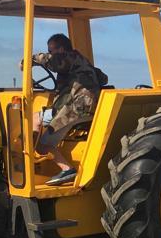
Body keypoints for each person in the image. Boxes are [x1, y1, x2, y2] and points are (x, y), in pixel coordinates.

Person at [29, 33, 105, 185]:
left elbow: (54, 62)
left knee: (40, 140)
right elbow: (103, 78)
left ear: (61, 49)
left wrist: (30, 60)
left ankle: (65, 168)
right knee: (36, 119)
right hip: (83, 106)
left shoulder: (68, 58)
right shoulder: (80, 60)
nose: (50, 54)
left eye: (51, 51)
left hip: (76, 108)